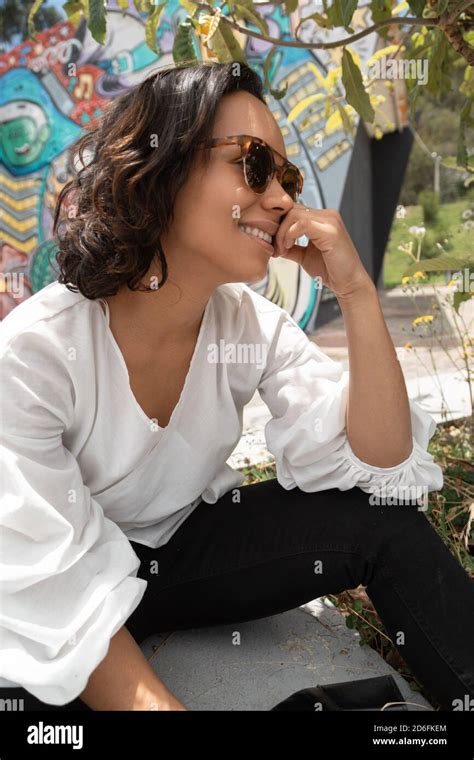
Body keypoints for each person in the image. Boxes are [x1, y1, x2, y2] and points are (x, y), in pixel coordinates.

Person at [0, 62, 473, 713]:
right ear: (159, 165)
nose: (281, 199)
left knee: (382, 520)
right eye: (253, 165)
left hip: (176, 561)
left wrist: (357, 293)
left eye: (288, 178)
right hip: (45, 593)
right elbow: (58, 590)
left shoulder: (250, 325)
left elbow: (382, 465)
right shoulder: (35, 351)